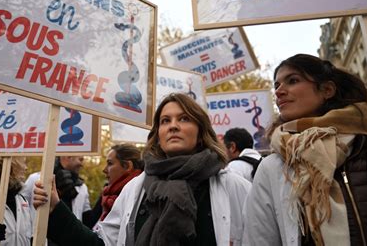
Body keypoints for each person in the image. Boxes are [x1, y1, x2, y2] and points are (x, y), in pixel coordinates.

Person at [34, 93, 251, 245]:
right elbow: (101, 243)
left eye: (184, 118)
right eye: (165, 121)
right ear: (158, 133)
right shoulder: (136, 189)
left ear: (201, 130)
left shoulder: (233, 186)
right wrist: (56, 208)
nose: (173, 125)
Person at [243, 54, 367, 245]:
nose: (279, 92)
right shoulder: (271, 167)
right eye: (276, 86)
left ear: (326, 90)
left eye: (292, 81)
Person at [22, 156, 91, 224]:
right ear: (68, 157)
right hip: (38, 234)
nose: (82, 165)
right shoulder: (35, 179)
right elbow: (20, 209)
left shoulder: (82, 187)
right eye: (80, 159)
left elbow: (88, 220)